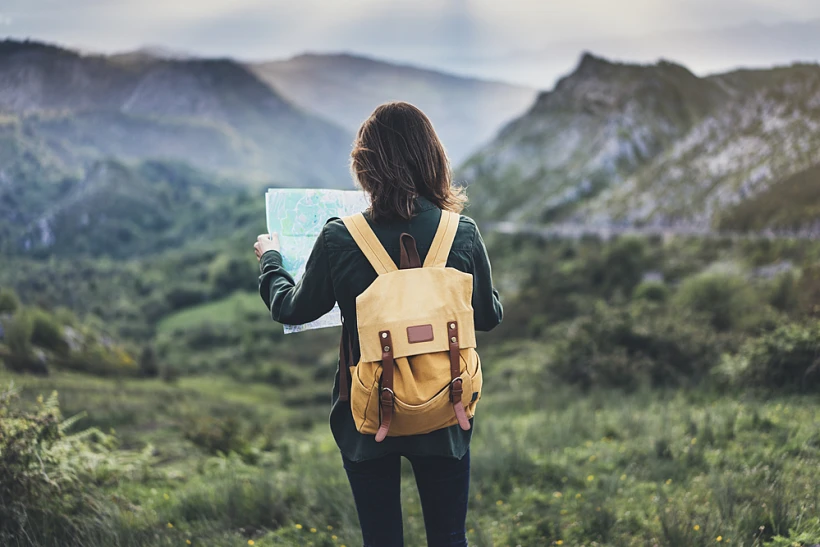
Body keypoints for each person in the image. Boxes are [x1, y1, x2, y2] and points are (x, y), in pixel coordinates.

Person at [254, 101, 503, 547]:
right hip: (448, 409)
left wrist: (271, 259)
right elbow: (488, 317)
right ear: (433, 160)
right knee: (449, 538)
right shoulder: (461, 232)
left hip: (367, 415)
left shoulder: (339, 237)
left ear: (367, 167)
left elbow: (291, 308)